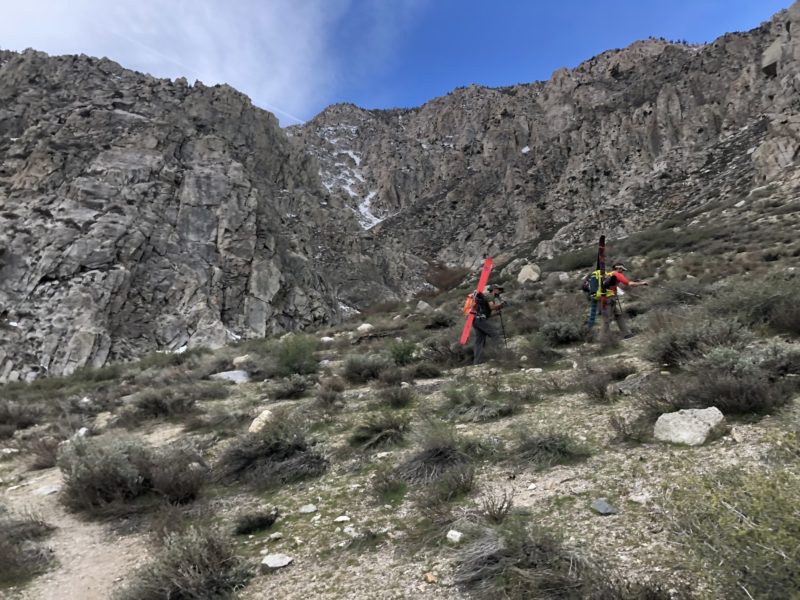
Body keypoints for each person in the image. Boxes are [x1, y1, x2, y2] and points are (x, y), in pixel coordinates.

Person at [601, 262, 648, 338]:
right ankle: (602, 338)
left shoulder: (609, 274)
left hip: (605, 297)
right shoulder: (617, 274)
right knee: (607, 319)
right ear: (618, 268)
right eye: (622, 269)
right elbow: (629, 284)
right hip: (609, 299)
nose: (622, 271)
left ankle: (626, 333)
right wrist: (641, 284)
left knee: (618, 314)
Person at [472, 283, 505, 365]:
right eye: (498, 290)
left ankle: (477, 362)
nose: (499, 292)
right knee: (495, 335)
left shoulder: (486, 297)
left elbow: (486, 314)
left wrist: (496, 313)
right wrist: (500, 305)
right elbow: (492, 307)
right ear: (494, 290)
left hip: (475, 320)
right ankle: (500, 356)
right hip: (480, 320)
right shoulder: (490, 296)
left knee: (479, 341)